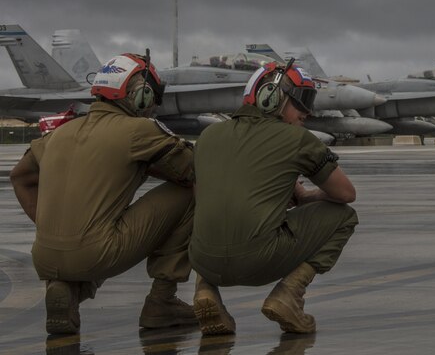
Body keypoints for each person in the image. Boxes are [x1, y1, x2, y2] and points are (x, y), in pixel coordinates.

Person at [10, 53, 197, 335]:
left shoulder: (59, 133)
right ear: (140, 95)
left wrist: (46, 223)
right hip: (97, 252)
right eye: (153, 96)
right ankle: (163, 300)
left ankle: (68, 289)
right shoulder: (139, 131)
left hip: (45, 258)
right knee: (188, 195)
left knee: (96, 224)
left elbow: (20, 177)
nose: (155, 105)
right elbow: (194, 171)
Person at [189, 61, 358, 335]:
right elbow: (346, 194)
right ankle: (289, 294)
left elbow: (201, 199)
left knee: (212, 213)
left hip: (204, 260)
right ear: (272, 96)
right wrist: (305, 197)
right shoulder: (297, 138)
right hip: (259, 261)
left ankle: (205, 290)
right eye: (302, 100)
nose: (308, 111)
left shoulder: (207, 136)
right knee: (344, 217)